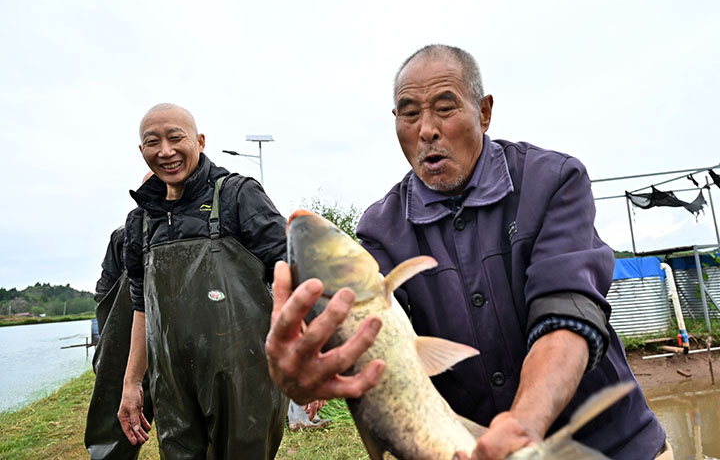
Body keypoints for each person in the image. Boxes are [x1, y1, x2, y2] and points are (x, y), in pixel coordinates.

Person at [265, 45, 671, 460]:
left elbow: (566, 312)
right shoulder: (380, 230)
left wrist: (524, 423)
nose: (426, 130)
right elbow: (370, 339)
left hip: (614, 447)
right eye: (409, 114)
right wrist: (305, 365)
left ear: (484, 112)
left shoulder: (551, 180)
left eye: (445, 108)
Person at [118, 103, 288, 459]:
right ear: (142, 151)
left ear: (200, 141)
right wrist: (133, 382)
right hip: (172, 385)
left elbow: (290, 269)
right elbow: (141, 304)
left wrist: (302, 356)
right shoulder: (140, 222)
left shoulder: (238, 195)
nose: (165, 151)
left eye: (175, 137)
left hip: (245, 379)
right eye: (153, 142)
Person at [85, 175, 155, 460]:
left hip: (184, 340)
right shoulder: (124, 234)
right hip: (129, 338)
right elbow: (105, 291)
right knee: (116, 427)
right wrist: (112, 342)